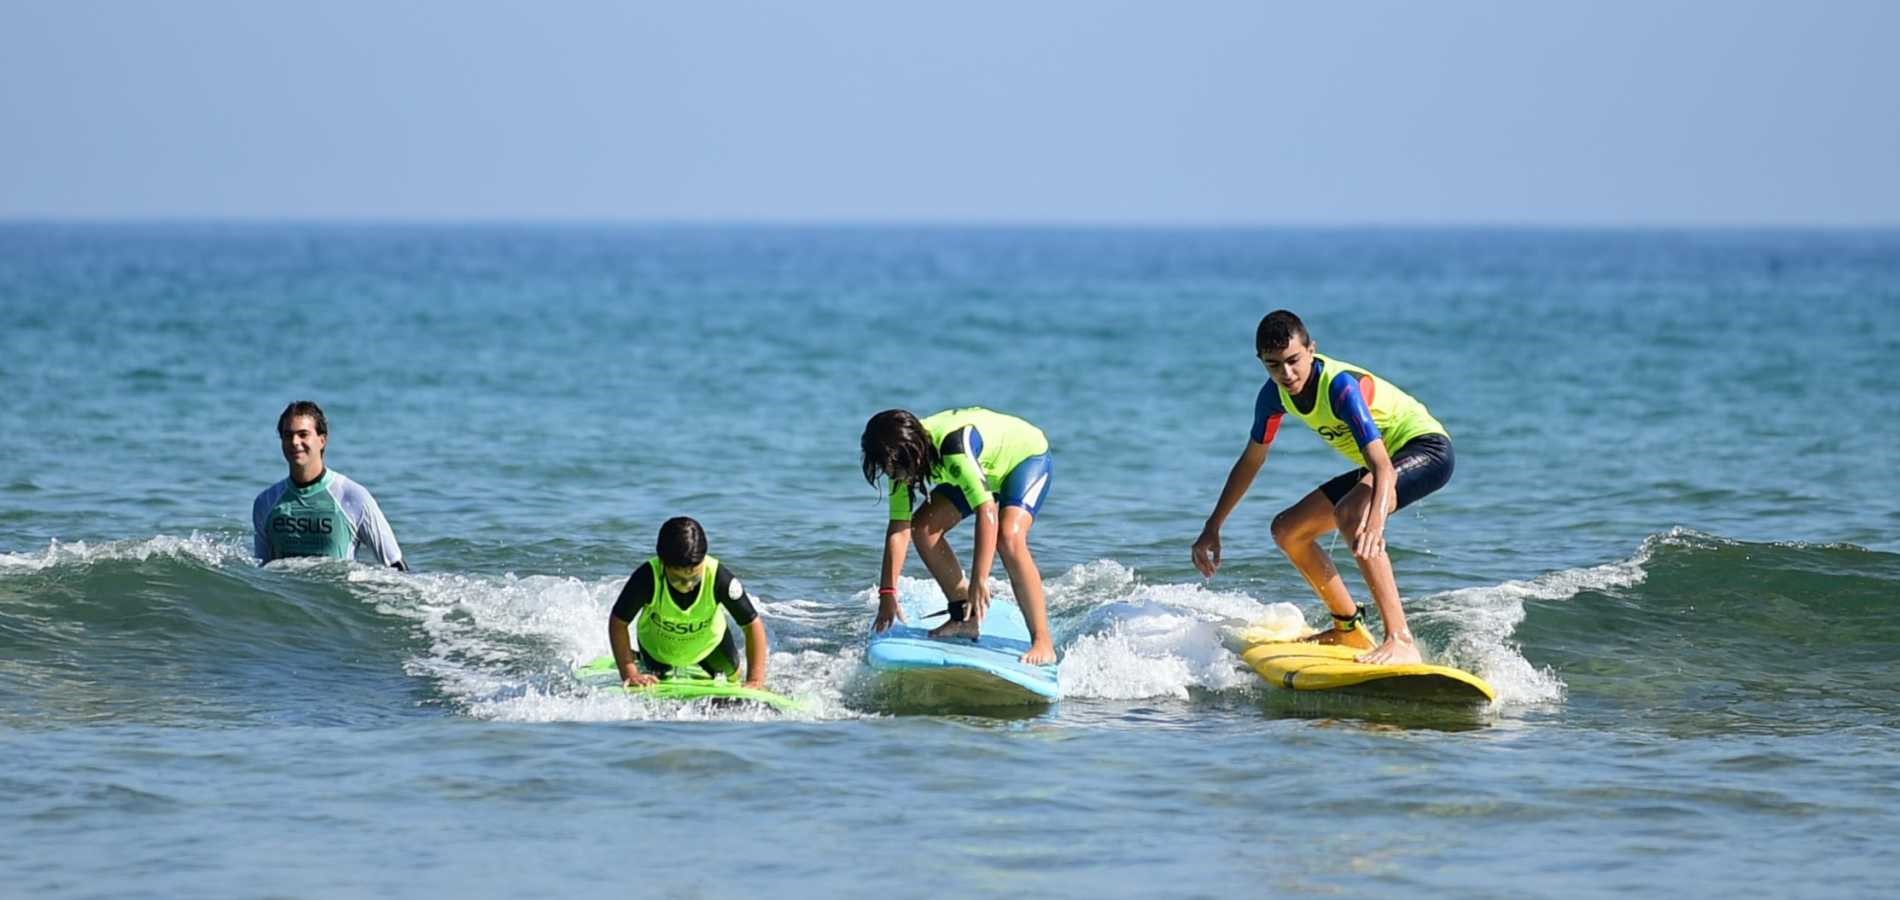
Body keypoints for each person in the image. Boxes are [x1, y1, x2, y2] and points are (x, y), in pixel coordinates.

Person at [1192, 310, 1453, 665]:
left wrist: (1374, 521)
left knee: (1352, 513)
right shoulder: (1273, 397)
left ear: (1312, 350)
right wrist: (1213, 525)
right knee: (1287, 530)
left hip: (1426, 449)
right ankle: (1348, 630)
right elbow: (1252, 461)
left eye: (1293, 361)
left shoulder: (1340, 386)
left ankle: (1400, 638)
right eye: (1274, 365)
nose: (1286, 374)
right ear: (1261, 362)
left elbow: (1380, 466)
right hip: (1385, 463)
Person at [860, 407, 1057, 665]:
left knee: (1009, 537)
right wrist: (887, 593)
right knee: (923, 528)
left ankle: (1043, 641)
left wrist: (980, 579)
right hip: (982, 470)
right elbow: (899, 528)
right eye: (887, 470)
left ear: (913, 452)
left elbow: (986, 510)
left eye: (893, 468)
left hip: (1024, 460)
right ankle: (965, 617)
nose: (892, 476)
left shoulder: (953, 447)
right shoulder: (897, 461)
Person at [607, 516, 770, 689]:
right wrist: (629, 672)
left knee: (733, 676)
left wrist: (755, 679)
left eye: (694, 577)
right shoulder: (646, 578)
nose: (688, 585)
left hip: (710, 646)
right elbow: (618, 623)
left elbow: (752, 624)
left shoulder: (719, 578)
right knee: (654, 680)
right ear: (663, 563)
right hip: (657, 650)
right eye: (678, 579)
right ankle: (637, 659)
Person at [252, 400, 408, 570]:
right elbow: (262, 574)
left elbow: (395, 565)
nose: (295, 442)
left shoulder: (352, 497)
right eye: (288, 435)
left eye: (303, 434)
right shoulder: (266, 502)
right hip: (285, 596)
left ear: (322, 440)